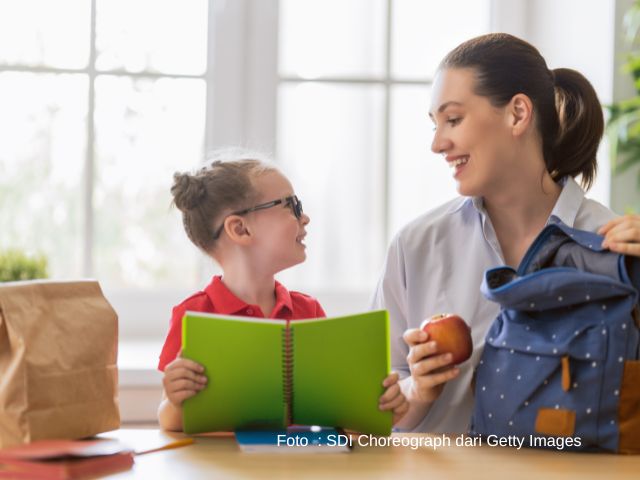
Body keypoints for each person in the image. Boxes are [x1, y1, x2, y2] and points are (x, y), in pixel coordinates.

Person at [371, 33, 640, 433]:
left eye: (454, 119)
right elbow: (374, 413)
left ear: (517, 114)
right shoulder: (416, 246)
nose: (437, 144)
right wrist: (417, 390)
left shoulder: (611, 247)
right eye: (435, 124)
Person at [157, 150, 408, 431]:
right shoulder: (193, 315)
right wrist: (174, 401)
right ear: (240, 229)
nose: (305, 217)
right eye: (291, 206)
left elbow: (334, 417)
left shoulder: (308, 311)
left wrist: (381, 408)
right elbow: (169, 423)